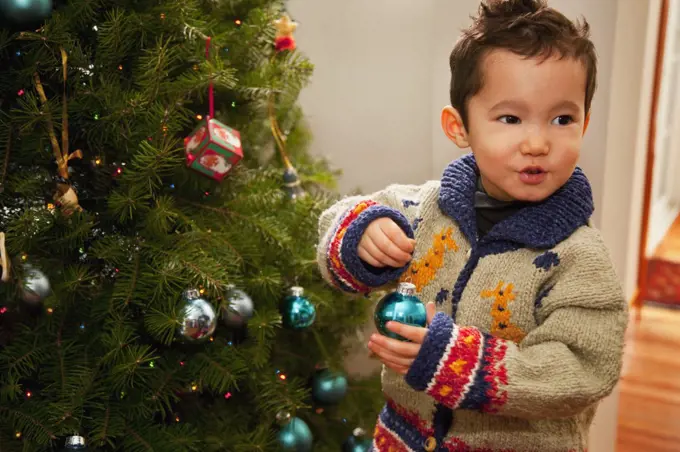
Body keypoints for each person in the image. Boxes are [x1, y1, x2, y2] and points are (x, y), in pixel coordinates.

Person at [316, 0, 628, 450]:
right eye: (510, 118)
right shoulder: (421, 209)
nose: (538, 143)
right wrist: (361, 236)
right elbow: (336, 227)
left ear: (586, 123)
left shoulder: (580, 259)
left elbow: (584, 368)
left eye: (563, 119)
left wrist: (457, 362)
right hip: (403, 439)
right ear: (459, 127)